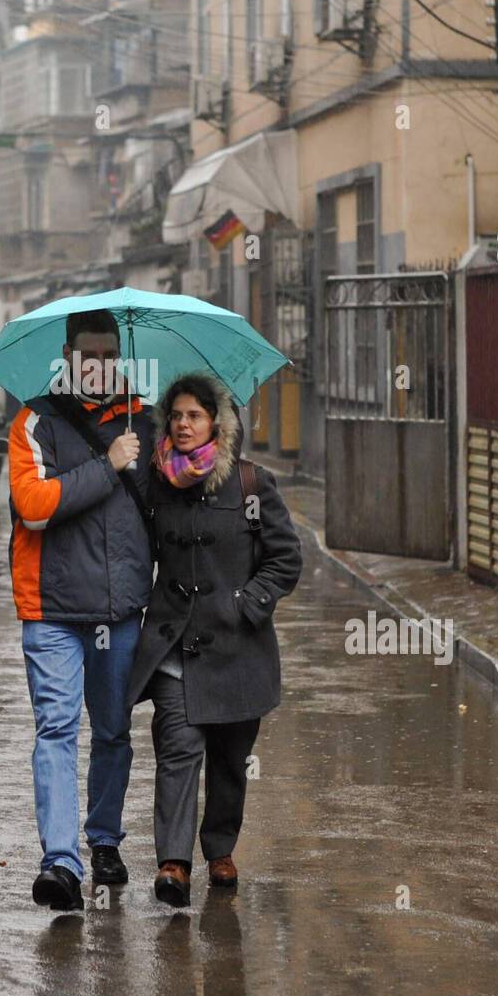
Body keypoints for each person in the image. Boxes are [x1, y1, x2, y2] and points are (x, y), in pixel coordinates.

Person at [126, 373, 302, 907]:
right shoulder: (153, 483)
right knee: (178, 749)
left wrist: (247, 604)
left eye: (194, 416)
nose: (182, 424)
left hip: (239, 648)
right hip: (176, 646)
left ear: (215, 424)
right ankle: (173, 864)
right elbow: (133, 549)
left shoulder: (251, 484)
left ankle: (219, 848)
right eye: (175, 415)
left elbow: (285, 558)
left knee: (229, 758)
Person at [7, 309, 155, 912]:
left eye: (107, 356)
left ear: (119, 358)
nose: (97, 366)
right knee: (58, 730)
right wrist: (108, 463)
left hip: (119, 610)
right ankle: (61, 863)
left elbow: (176, 498)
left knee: (114, 732)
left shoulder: (143, 420)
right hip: (52, 609)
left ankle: (104, 839)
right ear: (67, 357)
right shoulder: (35, 421)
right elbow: (33, 506)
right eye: (86, 356)